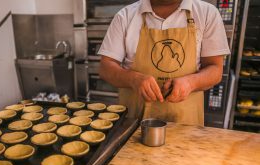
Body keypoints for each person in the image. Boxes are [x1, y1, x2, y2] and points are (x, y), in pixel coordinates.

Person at [98, 0, 230, 126]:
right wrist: (133, 79)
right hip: (134, 124)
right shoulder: (125, 16)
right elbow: (106, 67)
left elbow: (215, 69)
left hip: (185, 125)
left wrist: (190, 83)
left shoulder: (207, 13)